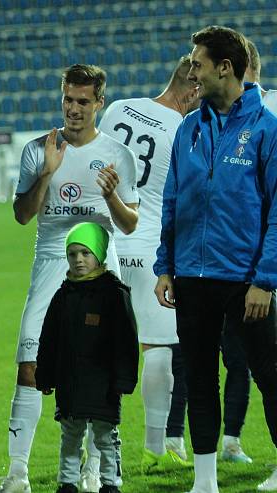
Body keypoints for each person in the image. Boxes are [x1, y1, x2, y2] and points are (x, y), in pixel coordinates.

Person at [0, 64, 139, 493]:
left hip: (100, 270)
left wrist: (111, 196)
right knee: (29, 364)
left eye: (82, 102)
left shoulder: (117, 154)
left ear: (99, 103)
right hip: (51, 267)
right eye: (67, 100)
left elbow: (129, 224)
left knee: (96, 366)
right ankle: (17, 474)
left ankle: (95, 471)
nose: (73, 109)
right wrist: (46, 173)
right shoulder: (39, 149)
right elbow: (22, 215)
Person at [154, 25, 277, 493]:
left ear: (225, 68)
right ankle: (204, 481)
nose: (192, 72)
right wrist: (166, 265)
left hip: (246, 280)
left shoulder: (267, 129)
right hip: (191, 278)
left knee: (270, 375)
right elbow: (172, 201)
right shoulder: (188, 127)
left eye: (198, 64)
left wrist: (265, 280)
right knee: (202, 378)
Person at [97, 56, 199, 471]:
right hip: (151, 246)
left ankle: (95, 452)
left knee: (99, 350)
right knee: (158, 347)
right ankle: (157, 447)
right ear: (192, 90)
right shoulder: (185, 129)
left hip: (107, 242)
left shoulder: (121, 107)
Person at [36, 222, 139, 493]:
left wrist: (124, 379)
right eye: (72, 254)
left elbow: (126, 341)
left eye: (85, 253)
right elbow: (49, 340)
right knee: (70, 435)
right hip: (71, 381)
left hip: (104, 384)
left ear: (99, 255)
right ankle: (67, 482)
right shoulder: (62, 295)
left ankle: (110, 483)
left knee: (106, 436)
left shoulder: (115, 296)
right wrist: (45, 375)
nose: (78, 260)